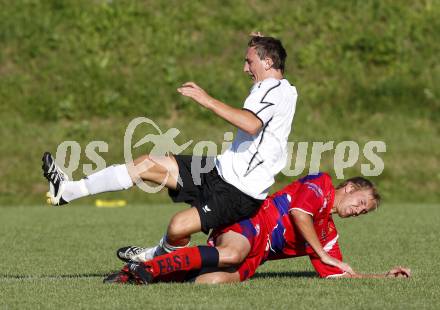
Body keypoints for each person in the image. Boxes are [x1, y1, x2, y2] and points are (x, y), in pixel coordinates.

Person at [42, 35, 298, 258]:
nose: (245, 68)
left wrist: (206, 99)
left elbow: (251, 124)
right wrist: (261, 43)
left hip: (238, 192)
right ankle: (66, 191)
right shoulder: (280, 88)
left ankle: (155, 257)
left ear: (268, 62)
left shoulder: (272, 89)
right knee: (145, 164)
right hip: (219, 170)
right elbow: (266, 77)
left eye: (249, 61)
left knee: (177, 227)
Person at [103, 173, 411, 284]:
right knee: (233, 251)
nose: (358, 212)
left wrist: (382, 276)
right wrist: (322, 253)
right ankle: (148, 268)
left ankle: (145, 270)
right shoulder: (321, 185)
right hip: (253, 219)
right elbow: (298, 213)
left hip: (259, 252)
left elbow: (340, 273)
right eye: (360, 202)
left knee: (209, 283)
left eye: (364, 212)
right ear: (351, 187)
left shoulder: (328, 233)